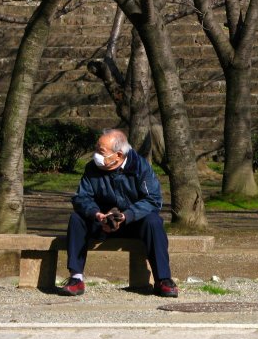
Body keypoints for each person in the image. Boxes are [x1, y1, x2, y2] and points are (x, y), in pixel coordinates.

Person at [59, 128, 179, 298]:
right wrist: (97, 214)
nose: (96, 156)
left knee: (154, 221)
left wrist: (127, 215)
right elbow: (81, 198)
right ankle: (76, 278)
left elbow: (153, 200)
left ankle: (163, 280)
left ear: (119, 155)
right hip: (101, 222)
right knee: (76, 219)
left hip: (133, 222)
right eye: (96, 149)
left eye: (101, 152)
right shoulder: (92, 169)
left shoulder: (140, 167)